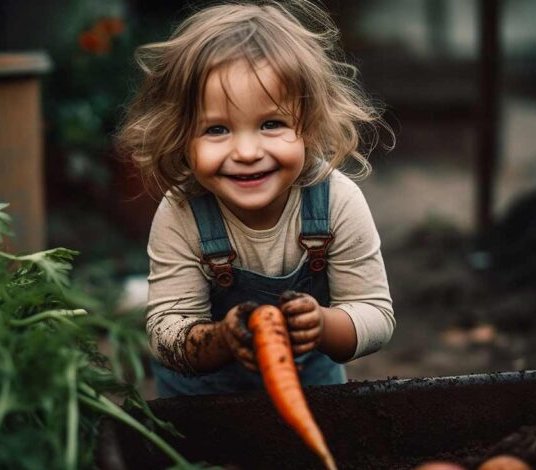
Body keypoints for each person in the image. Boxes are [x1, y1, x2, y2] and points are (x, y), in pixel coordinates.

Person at [116, 0, 395, 398]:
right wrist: (222, 339)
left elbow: (376, 315)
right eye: (216, 129)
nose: (246, 152)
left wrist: (322, 325)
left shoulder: (336, 201)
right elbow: (166, 333)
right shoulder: (182, 213)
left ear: (310, 127)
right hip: (201, 400)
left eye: (271, 124)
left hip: (309, 389)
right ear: (181, 136)